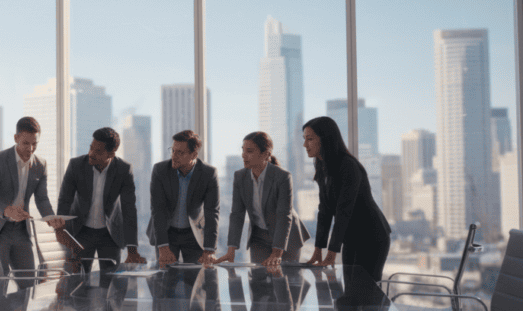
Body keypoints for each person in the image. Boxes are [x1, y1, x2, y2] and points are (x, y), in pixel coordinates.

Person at [302, 116, 391, 282]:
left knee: (365, 293)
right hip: (351, 236)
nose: (305, 145)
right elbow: (325, 211)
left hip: (372, 236)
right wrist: (318, 248)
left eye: (310, 139)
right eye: (304, 139)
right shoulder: (322, 164)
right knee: (349, 292)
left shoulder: (348, 166)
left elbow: (344, 211)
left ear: (325, 139)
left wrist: (331, 253)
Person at [0, 117, 63, 285]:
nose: (30, 149)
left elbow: (42, 199)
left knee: (29, 284)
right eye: (26, 143)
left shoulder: (41, 165)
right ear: (16, 138)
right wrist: (7, 210)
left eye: (35, 144)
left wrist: (51, 218)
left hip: (21, 231)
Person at [56, 127, 144, 272]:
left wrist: (132, 249)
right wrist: (61, 230)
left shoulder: (123, 170)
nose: (91, 153)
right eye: (91, 148)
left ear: (111, 153)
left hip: (110, 235)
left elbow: (129, 210)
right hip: (80, 232)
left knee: (111, 286)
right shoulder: (76, 165)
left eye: (98, 151)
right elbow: (65, 200)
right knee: (76, 282)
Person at [218, 132, 308, 266]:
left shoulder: (282, 177)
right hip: (259, 237)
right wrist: (231, 250)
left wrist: (277, 253)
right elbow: (237, 214)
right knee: (259, 281)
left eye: (249, 151)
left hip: (287, 236)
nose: (243, 155)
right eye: (243, 150)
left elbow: (284, 215)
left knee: (286, 280)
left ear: (266, 154)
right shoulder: (240, 176)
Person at [146, 130, 220, 266]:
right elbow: (158, 210)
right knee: (164, 280)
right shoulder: (160, 170)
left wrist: (209, 249)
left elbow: (212, 212)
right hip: (166, 233)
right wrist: (162, 247)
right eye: (173, 151)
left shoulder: (208, 174)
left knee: (197, 282)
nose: (174, 156)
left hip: (194, 235)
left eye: (180, 153)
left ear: (194, 154)